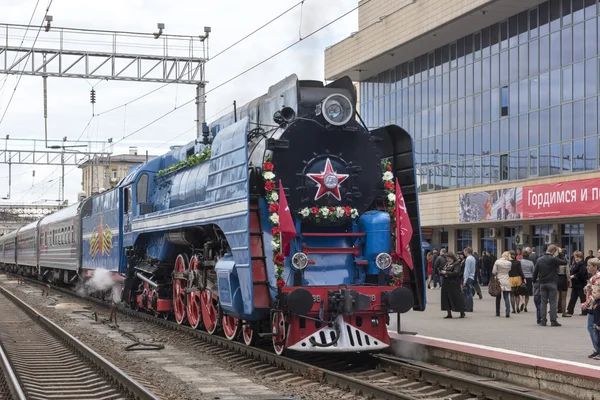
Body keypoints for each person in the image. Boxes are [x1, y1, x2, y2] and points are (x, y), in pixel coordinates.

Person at [532, 244, 568, 327]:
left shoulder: (539, 259)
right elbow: (565, 262)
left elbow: (535, 272)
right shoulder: (553, 259)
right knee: (553, 302)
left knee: (543, 302)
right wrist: (561, 253)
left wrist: (534, 282)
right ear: (554, 251)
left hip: (542, 283)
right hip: (552, 283)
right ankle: (553, 321)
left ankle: (543, 321)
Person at [582, 258, 600, 358]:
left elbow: (595, 293)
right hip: (594, 304)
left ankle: (598, 349)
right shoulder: (594, 277)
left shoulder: (597, 277)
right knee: (593, 327)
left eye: (589, 266)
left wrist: (586, 304)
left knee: (592, 327)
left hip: (596, 305)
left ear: (595, 267)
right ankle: (597, 349)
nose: (587, 267)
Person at [440, 252, 466, 319]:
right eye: (447, 258)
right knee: (446, 298)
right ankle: (449, 313)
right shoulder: (446, 264)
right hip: (446, 284)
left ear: (452, 258)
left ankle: (462, 312)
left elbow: (456, 273)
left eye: (449, 258)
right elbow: (443, 271)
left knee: (457, 298)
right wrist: (441, 272)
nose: (447, 259)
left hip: (453, 284)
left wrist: (446, 273)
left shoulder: (456, 264)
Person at [567, 251, 587, 316]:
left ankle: (584, 311)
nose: (577, 259)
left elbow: (582, 273)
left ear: (581, 258)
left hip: (580, 284)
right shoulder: (575, 264)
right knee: (573, 297)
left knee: (582, 298)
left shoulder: (582, 265)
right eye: (576, 257)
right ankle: (570, 310)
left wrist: (574, 276)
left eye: (578, 257)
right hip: (575, 284)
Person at [492, 251, 512, 318]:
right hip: (506, 279)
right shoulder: (509, 263)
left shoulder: (497, 262)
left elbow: (494, 271)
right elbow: (509, 270)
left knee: (498, 297)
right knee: (506, 297)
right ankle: (508, 311)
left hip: (499, 280)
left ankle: (497, 312)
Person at [557, 247, 571, 317]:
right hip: (563, 278)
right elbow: (568, 273)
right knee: (564, 298)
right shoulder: (565, 261)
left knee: (556, 296)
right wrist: (569, 282)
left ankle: (554, 312)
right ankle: (564, 313)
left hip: (556, 278)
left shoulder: (556, 261)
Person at [463, 247, 476, 312]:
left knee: (467, 293)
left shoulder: (468, 259)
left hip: (468, 277)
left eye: (464, 251)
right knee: (469, 293)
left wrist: (464, 281)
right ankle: (470, 307)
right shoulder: (473, 258)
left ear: (467, 251)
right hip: (472, 276)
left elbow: (467, 270)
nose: (464, 253)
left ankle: (468, 307)